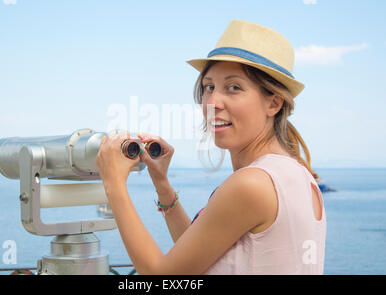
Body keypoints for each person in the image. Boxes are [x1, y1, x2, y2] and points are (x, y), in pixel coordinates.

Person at [96, 20, 326, 274]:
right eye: (209, 87)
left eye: (234, 87)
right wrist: (162, 184)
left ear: (274, 104)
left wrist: (114, 184)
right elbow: (197, 257)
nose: (212, 102)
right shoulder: (299, 177)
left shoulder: (252, 184)